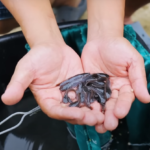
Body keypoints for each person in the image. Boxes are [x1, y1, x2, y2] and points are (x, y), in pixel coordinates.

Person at [1, 0, 150, 134]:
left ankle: (79, 4)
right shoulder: (86, 87)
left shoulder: (93, 85)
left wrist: (107, 31)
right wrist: (44, 38)